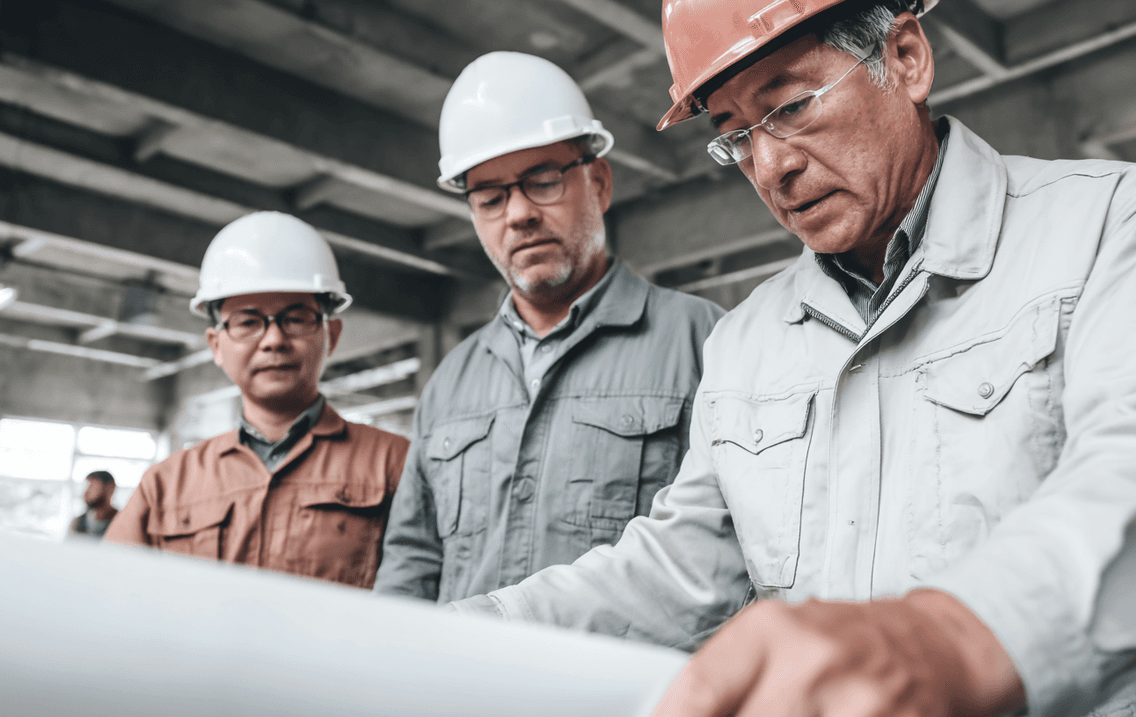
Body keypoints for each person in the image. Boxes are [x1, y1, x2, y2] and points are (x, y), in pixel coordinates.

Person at [449, 2, 1136, 717]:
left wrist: (951, 642)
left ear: (905, 57)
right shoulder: (748, 341)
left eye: (789, 106)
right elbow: (679, 565)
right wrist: (466, 633)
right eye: (734, 134)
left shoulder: (1123, 226)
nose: (769, 165)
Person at [373, 52, 724, 603]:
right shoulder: (451, 383)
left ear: (600, 183)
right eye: (490, 198)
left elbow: (730, 551)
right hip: (461, 687)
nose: (518, 214)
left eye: (542, 181)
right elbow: (412, 562)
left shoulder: (703, 342)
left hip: (628, 688)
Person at [106, 212, 409, 589]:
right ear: (216, 345)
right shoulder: (166, 486)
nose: (273, 340)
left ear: (331, 334)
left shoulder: (396, 465)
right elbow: (111, 602)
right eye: (248, 322)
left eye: (296, 318)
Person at [68, 470, 117, 538]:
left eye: (92, 487)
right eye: (85, 487)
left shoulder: (121, 521)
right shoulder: (77, 522)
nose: (86, 493)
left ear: (110, 489)